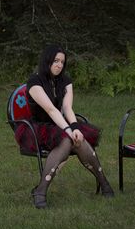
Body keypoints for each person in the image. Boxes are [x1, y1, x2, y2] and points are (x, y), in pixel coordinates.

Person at [17, 44, 114, 209]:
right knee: (68, 140)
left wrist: (75, 127)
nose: (59, 65)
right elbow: (51, 110)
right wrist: (69, 131)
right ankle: (41, 191)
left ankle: (104, 184)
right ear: (47, 61)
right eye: (55, 60)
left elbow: (68, 109)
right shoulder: (34, 81)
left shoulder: (66, 81)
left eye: (62, 62)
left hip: (60, 126)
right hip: (39, 129)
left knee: (77, 139)